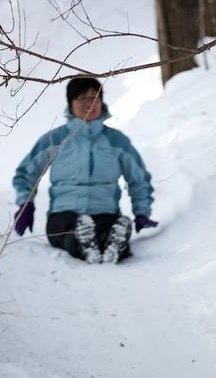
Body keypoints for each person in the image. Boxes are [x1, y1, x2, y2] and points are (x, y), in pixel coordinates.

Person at [12, 76, 157, 264]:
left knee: (109, 229)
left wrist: (142, 212)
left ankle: (114, 243)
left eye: (94, 98)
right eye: (82, 98)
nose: (89, 104)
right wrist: (26, 205)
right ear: (70, 103)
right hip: (64, 213)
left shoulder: (116, 140)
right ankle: (84, 244)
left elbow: (139, 178)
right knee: (66, 232)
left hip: (105, 212)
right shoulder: (55, 139)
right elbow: (26, 174)